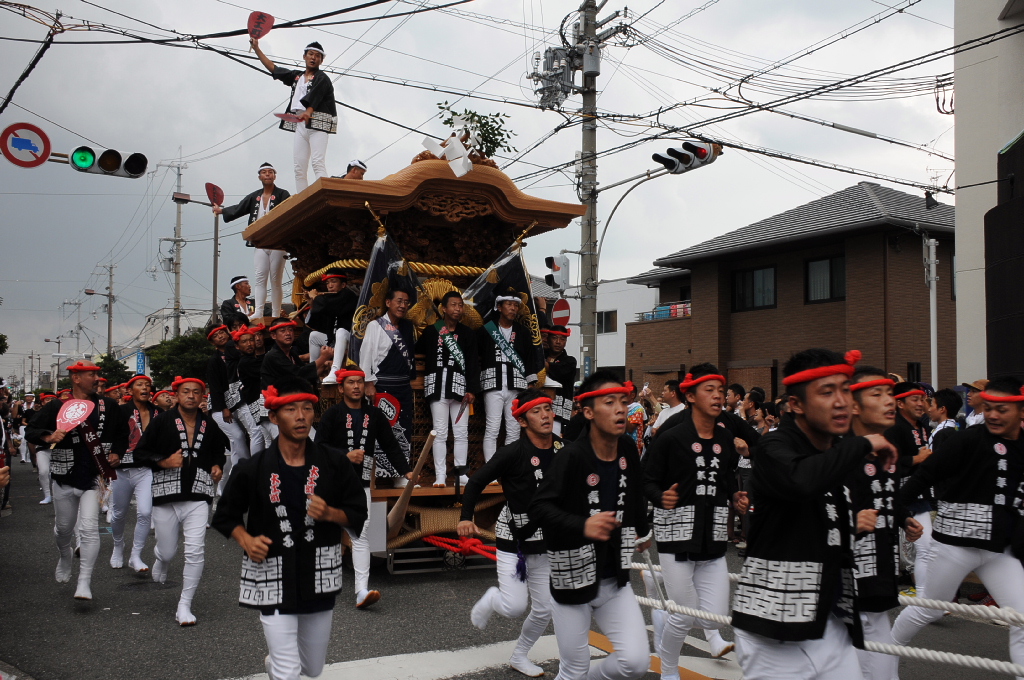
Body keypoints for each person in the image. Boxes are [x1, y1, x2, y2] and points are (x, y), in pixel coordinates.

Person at [730, 349, 897, 680]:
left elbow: (817, 520)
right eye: (826, 392)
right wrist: (863, 443)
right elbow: (802, 481)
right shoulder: (774, 447)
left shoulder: (836, 451)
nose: (841, 402)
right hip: (774, 630)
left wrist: (853, 524)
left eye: (845, 390)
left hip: (830, 622)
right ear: (796, 404)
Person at [214, 377, 365, 680]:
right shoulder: (253, 468)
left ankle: (275, 665)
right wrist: (245, 538)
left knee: (312, 668)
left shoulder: (334, 463)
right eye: (291, 410)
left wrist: (331, 512)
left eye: (307, 409)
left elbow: (357, 512)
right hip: (271, 567)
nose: (300, 417)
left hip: (318, 570)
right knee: (289, 671)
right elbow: (224, 515)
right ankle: (281, 667)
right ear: (273, 417)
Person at [891, 377, 1024, 670]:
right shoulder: (969, 439)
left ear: (1020, 411)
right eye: (988, 408)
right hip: (954, 544)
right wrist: (901, 512)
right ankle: (883, 654)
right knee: (929, 609)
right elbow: (925, 475)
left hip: (998, 550)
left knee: (1022, 618)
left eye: (1002, 409)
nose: (993, 415)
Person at [531, 372, 652, 680]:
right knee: (573, 669)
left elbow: (635, 494)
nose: (620, 409)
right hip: (572, 578)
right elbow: (539, 508)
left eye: (623, 402)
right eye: (609, 402)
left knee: (636, 663)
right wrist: (583, 525)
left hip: (614, 578)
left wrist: (642, 527)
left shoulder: (627, 451)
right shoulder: (571, 456)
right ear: (588, 412)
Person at [644, 365, 749, 677]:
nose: (718, 395)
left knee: (715, 616)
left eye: (721, 389)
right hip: (676, 536)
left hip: (713, 537)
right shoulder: (671, 437)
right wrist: (660, 497)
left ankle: (664, 613)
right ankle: (670, 670)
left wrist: (736, 497)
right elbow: (646, 480)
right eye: (709, 390)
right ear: (689, 395)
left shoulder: (726, 437)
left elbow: (727, 477)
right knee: (685, 614)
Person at [460, 388, 562, 677]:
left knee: (545, 609)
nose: (545, 415)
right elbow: (476, 482)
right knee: (515, 607)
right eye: (536, 411)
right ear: (522, 421)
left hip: (546, 539)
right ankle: (494, 599)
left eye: (547, 409)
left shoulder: (562, 449)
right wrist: (466, 517)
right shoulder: (512, 453)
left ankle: (519, 655)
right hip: (514, 537)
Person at [25, 360, 128, 600]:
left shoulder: (109, 406)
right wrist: (49, 435)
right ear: (76, 378)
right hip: (63, 475)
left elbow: (123, 433)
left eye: (97, 375)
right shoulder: (57, 407)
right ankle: (64, 555)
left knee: (90, 528)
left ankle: (84, 582)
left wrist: (117, 454)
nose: (96, 379)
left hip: (96, 476)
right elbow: (31, 430)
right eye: (90, 375)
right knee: (63, 529)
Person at [848, 366, 924, 680]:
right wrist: (849, 522)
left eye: (890, 393)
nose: (889, 400)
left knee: (875, 626)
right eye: (876, 394)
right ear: (853, 405)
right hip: (837, 571)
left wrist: (904, 516)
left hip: (879, 556)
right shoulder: (832, 452)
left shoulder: (887, 447)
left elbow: (885, 495)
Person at [134, 376, 227, 625]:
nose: (191, 396)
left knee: (195, 551)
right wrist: (164, 461)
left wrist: (217, 465)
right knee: (167, 551)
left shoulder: (209, 424)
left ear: (202, 397)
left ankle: (184, 605)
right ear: (176, 395)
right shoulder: (161, 422)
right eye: (186, 391)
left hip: (198, 494)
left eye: (196, 392)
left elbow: (220, 449)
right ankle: (161, 559)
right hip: (166, 494)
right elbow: (140, 453)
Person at [315, 368, 411, 608]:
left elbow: (389, 444)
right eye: (350, 383)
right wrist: (344, 455)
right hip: (332, 482)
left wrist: (405, 470)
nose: (356, 386)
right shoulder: (332, 414)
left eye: (359, 382)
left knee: (361, 533)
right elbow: (319, 448)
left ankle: (361, 590)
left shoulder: (375, 415)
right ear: (341, 388)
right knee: (322, 531)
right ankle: (315, 584)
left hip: (361, 483)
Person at [251, 38, 337, 192]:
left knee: (317, 162)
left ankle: (326, 193)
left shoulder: (322, 78)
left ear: (321, 60)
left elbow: (317, 95)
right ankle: (302, 199)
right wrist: (257, 49)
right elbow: (274, 69)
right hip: (300, 123)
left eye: (317, 56)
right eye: (311, 54)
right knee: (299, 167)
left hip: (317, 123)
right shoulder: (297, 77)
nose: (313, 58)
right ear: (304, 56)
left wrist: (308, 111)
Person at [416, 291, 479, 487]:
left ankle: (461, 474)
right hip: (437, 388)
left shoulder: (468, 334)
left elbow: (473, 364)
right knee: (440, 433)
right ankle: (440, 476)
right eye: (453, 305)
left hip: (460, 391)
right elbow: (417, 352)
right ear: (444, 308)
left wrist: (472, 389)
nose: (457, 309)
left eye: (460, 305)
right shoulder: (431, 332)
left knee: (461, 433)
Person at [213, 163, 291, 320]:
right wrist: (221, 210)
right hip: (260, 241)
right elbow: (240, 208)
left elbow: (290, 210)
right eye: (264, 172)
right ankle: (259, 311)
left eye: (270, 172)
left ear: (275, 176)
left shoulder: (283, 194)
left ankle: (276, 312)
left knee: (276, 279)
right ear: (259, 177)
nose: (267, 174)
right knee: (260, 277)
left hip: (277, 241)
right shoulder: (255, 196)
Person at [359, 288, 417, 483]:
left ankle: (400, 475)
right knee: (383, 430)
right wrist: (368, 383)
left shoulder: (408, 327)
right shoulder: (375, 326)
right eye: (399, 301)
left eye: (406, 302)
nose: (403, 305)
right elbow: (366, 355)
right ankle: (378, 476)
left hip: (403, 386)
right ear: (388, 303)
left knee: (403, 430)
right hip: (383, 386)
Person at [479, 293, 541, 462]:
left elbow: (529, 359)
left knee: (514, 429)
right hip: (493, 383)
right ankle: (491, 471)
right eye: (509, 304)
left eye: (515, 305)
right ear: (499, 307)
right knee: (492, 428)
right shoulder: (486, 330)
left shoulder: (523, 332)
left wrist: (530, 384)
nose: (513, 308)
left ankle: (508, 468)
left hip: (517, 386)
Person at [110, 374, 160, 573]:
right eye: (140, 385)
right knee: (118, 514)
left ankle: (135, 556)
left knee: (146, 512)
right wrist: (112, 454)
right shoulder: (121, 411)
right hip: (121, 470)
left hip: (145, 470)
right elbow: (110, 434)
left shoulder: (158, 413)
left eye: (148, 385)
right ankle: (117, 545)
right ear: (129, 391)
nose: (145, 388)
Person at [887, 382, 934, 596]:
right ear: (900, 403)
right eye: (915, 399)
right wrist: (916, 459)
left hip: (918, 494)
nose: (921, 404)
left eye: (923, 399)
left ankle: (926, 595)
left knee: (926, 547)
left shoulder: (922, 427)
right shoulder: (893, 427)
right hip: (896, 494)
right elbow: (885, 462)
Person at [261, 319, 333, 441]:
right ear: (273, 335)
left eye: (290, 330)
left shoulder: (291, 353)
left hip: (285, 405)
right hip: (272, 408)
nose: (288, 333)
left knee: (280, 449)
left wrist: (323, 367)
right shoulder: (273, 356)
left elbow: (303, 373)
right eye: (283, 331)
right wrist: (323, 358)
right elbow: (299, 373)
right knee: (289, 444)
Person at [207, 323, 249, 495]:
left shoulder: (239, 352)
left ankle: (224, 489)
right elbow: (215, 387)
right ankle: (248, 468)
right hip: (219, 407)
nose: (221, 336)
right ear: (212, 342)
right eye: (216, 336)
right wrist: (223, 408)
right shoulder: (214, 360)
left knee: (236, 445)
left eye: (223, 332)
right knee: (237, 436)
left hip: (239, 401)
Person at [306, 269, 358, 382]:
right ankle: (312, 370)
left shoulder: (348, 295)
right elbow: (316, 323)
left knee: (341, 331)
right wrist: (312, 304)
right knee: (314, 336)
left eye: (333, 282)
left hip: (351, 341)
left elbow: (328, 305)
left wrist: (316, 298)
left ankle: (335, 371)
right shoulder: (330, 299)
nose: (329, 286)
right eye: (327, 283)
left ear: (343, 284)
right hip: (334, 341)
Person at [229, 325, 267, 456]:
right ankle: (255, 466)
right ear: (237, 346)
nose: (250, 344)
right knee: (258, 433)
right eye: (244, 341)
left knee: (263, 434)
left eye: (251, 340)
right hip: (252, 403)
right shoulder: (245, 362)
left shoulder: (253, 359)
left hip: (258, 401)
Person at [542, 325, 577, 437]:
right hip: (540, 409)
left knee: (556, 446)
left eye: (562, 339)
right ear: (548, 339)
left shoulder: (570, 361)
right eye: (555, 338)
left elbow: (559, 371)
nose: (558, 342)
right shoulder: (541, 355)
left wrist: (539, 362)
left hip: (560, 412)